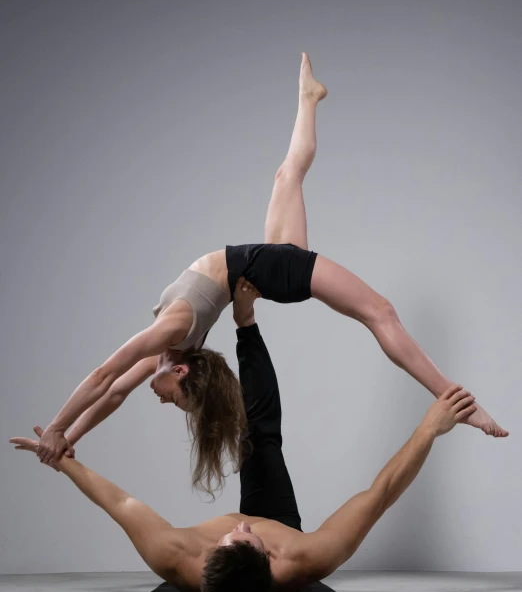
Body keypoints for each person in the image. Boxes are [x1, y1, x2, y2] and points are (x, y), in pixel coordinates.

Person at [34, 53, 507, 497]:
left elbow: (107, 380)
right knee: (378, 311)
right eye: (176, 401)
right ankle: (459, 401)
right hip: (262, 271)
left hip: (263, 265)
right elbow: (113, 388)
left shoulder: (172, 335)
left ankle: (309, 97)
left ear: (178, 371)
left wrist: (62, 432)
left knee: (291, 182)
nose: (163, 402)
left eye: (174, 400)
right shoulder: (174, 345)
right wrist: (63, 435)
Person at [10, 288, 479, 592]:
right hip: (282, 517)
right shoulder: (302, 559)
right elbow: (379, 495)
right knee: (260, 435)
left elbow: (120, 502)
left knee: (243, 431)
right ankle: (247, 324)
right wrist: (429, 429)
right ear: (270, 558)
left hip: (216, 557)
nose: (241, 526)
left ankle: (234, 337)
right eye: (250, 539)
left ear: (211, 555)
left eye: (233, 537)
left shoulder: (173, 556)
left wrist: (62, 462)